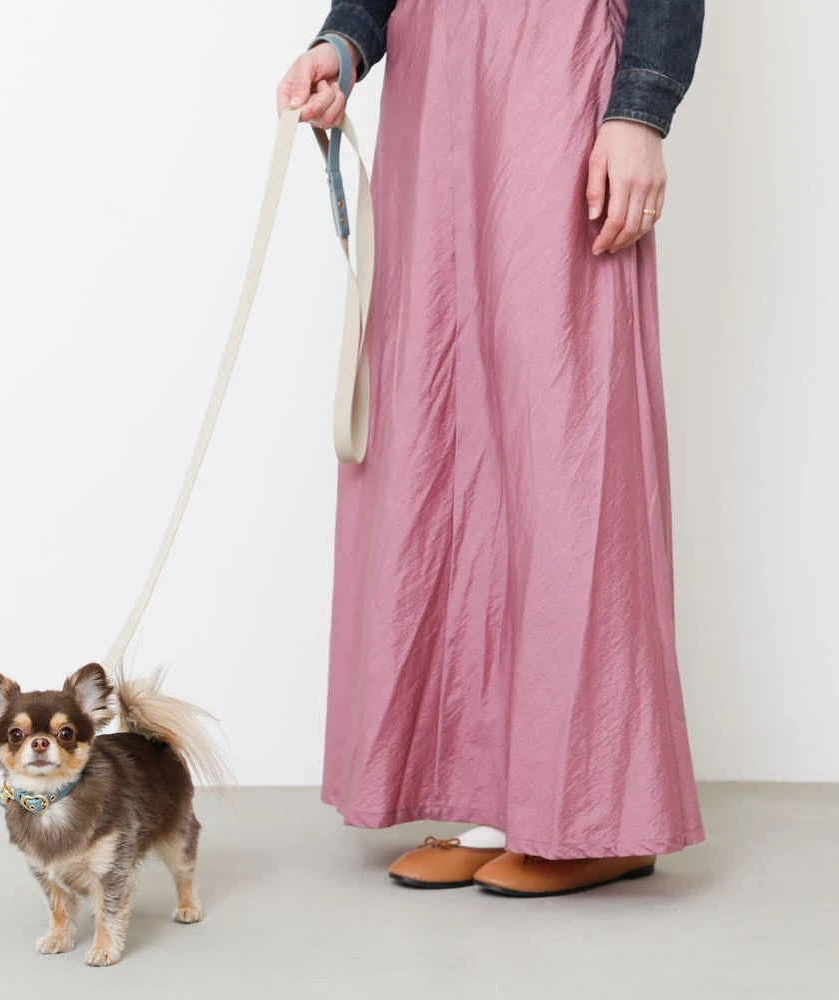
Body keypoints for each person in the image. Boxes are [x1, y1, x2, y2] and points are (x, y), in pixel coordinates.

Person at [277, 0, 705, 896]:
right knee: (450, 438)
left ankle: (597, 815)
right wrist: (343, 42)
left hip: (559, 77)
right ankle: (495, 800)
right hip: (436, 96)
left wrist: (639, 111)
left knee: (567, 438)